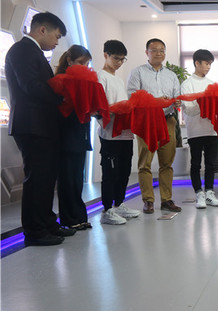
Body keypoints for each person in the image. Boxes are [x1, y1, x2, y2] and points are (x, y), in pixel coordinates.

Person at [5, 11, 76, 246]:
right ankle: (35, 232)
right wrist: (63, 98)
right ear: (42, 30)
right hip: (31, 125)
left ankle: (47, 223)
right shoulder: (22, 50)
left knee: (46, 178)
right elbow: (31, 86)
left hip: (42, 125)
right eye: (56, 36)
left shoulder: (34, 52)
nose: (57, 43)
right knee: (37, 179)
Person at [127, 38, 181, 214]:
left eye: (162, 50)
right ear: (147, 52)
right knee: (145, 163)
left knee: (167, 162)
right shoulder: (137, 73)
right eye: (154, 50)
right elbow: (133, 97)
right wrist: (155, 101)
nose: (159, 53)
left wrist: (177, 101)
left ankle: (166, 199)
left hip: (168, 120)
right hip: (147, 122)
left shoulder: (171, 75)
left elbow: (177, 96)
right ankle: (148, 200)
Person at [96, 40, 141, 225]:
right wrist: (115, 109)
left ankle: (119, 203)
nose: (119, 63)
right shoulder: (100, 77)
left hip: (125, 133)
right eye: (116, 58)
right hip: (110, 134)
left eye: (123, 59)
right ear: (105, 55)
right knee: (110, 173)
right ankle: (107, 209)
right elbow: (99, 108)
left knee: (124, 170)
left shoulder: (119, 80)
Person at [54, 45, 93, 230]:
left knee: (77, 179)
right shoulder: (60, 81)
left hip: (80, 133)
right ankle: (69, 219)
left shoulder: (83, 82)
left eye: (87, 64)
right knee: (67, 179)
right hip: (65, 134)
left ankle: (79, 216)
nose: (84, 67)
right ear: (69, 61)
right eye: (80, 63)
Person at [180, 49, 218, 209]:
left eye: (210, 64)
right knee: (196, 163)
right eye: (206, 63)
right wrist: (204, 101)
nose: (208, 67)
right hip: (195, 130)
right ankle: (199, 193)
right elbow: (189, 109)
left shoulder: (212, 84)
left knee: (211, 164)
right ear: (197, 63)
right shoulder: (187, 84)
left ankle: (210, 192)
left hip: (211, 129)